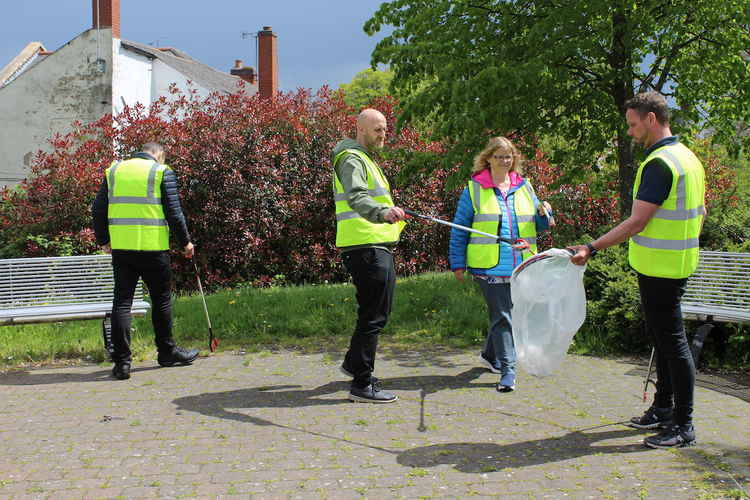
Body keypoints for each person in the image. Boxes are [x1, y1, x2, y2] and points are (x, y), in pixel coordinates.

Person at [569, 91, 706, 448]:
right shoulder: (687, 158)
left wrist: (592, 247)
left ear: (651, 119)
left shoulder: (660, 163)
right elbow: (701, 213)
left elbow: (636, 222)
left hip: (661, 268)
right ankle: (662, 410)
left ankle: (683, 425)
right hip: (676, 264)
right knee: (664, 341)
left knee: (674, 344)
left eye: (633, 124)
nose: (630, 133)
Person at [449, 136, 553, 392]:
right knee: (504, 316)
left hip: (523, 263)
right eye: (499, 156)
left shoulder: (525, 186)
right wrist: (458, 263)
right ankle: (508, 370)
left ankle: (489, 354)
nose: (505, 161)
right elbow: (459, 229)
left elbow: (540, 226)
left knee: (508, 314)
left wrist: (546, 214)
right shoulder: (474, 188)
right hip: (489, 265)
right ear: (488, 159)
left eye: (509, 157)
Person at [92, 142, 200, 380]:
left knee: (122, 303)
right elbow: (174, 212)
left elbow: (98, 209)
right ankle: (166, 353)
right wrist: (186, 243)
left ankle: (122, 364)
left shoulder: (115, 171)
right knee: (161, 300)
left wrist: (103, 240)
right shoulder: (161, 171)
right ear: (158, 155)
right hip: (154, 249)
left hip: (122, 249)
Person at [332, 108, 407, 403]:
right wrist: (382, 212)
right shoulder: (352, 158)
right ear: (360, 129)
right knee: (374, 315)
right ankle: (362, 385)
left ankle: (354, 364)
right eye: (377, 129)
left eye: (385, 129)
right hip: (366, 245)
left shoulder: (364, 158)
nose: (383, 134)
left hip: (373, 244)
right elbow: (357, 195)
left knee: (376, 312)